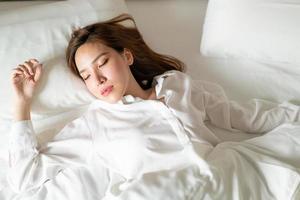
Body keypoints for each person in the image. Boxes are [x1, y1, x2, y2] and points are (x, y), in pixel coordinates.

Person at [9, 14, 300, 200]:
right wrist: (22, 105)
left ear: (127, 57)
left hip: (221, 176)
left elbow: (242, 116)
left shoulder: (177, 85)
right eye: (86, 76)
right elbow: (26, 178)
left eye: (102, 64)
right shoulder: (96, 122)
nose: (97, 79)